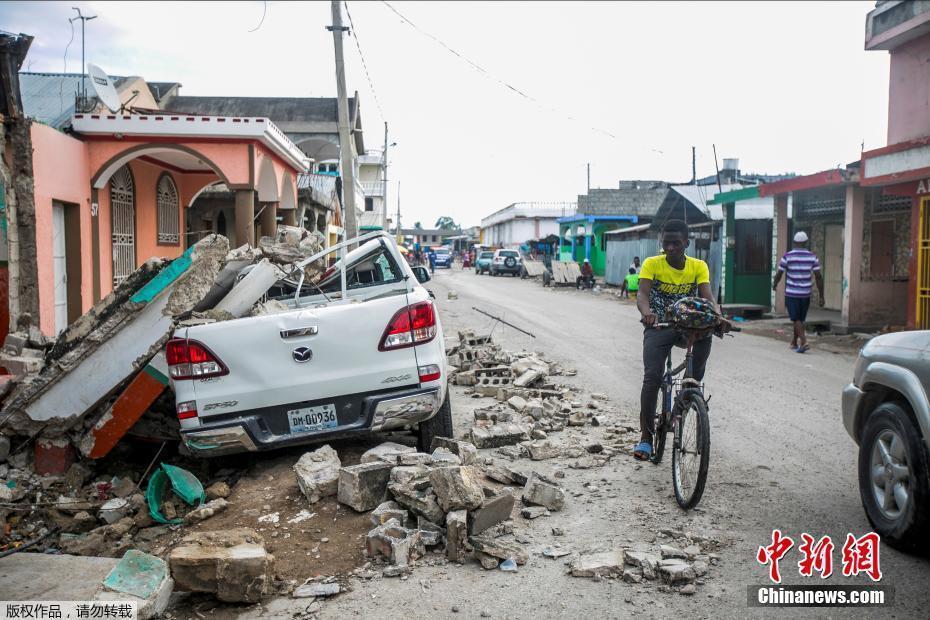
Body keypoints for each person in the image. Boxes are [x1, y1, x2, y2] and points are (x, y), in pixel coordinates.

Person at [633, 219, 729, 461]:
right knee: (652, 377)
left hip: (689, 326)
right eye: (667, 243)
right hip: (659, 325)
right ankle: (646, 437)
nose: (671, 248)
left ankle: (688, 397)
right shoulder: (652, 263)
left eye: (676, 243)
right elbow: (642, 294)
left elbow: (707, 298)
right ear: (661, 243)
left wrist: (718, 317)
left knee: (695, 374)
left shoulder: (698, 266)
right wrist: (647, 315)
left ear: (687, 242)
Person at [772, 231, 824, 353]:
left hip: (792, 293)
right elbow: (818, 277)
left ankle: (804, 341)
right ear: (806, 243)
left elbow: (779, 273)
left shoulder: (787, 256)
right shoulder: (812, 257)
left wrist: (775, 284)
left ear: (794, 242)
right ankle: (794, 342)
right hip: (806, 294)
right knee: (799, 319)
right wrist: (822, 296)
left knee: (796, 319)